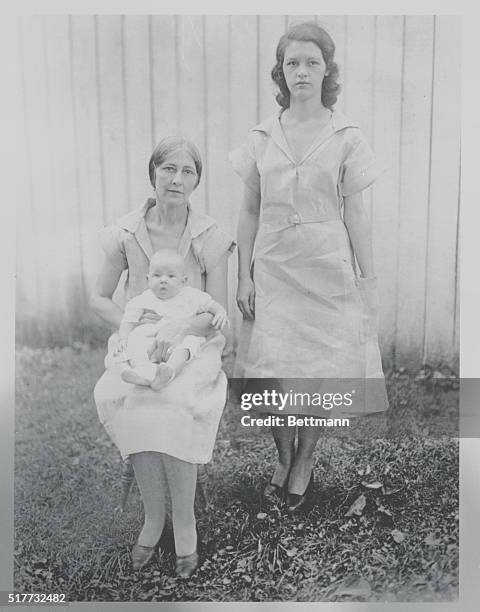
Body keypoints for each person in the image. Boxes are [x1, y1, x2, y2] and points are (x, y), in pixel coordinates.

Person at [230, 22, 388, 513]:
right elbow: (250, 210)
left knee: (322, 371)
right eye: (292, 63)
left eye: (312, 62)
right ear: (281, 71)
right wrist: (243, 275)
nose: (301, 71)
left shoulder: (346, 136)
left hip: (326, 262)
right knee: (271, 372)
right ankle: (282, 455)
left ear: (327, 71)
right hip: (274, 266)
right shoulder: (262, 136)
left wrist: (367, 277)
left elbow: (356, 212)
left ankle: (304, 462)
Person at [92, 136, 234, 576]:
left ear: (197, 180)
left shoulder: (209, 235)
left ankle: (185, 523)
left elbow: (216, 314)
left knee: (172, 401)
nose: (176, 179)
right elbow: (99, 298)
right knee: (132, 397)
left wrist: (177, 330)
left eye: (187, 171)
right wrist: (132, 331)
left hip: (196, 342)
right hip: (139, 341)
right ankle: (154, 517)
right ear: (152, 173)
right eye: (168, 169)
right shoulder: (125, 232)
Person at [114, 248, 228, 389]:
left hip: (180, 338)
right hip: (151, 341)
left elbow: (211, 305)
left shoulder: (191, 296)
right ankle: (143, 372)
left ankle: (169, 371)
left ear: (183, 280)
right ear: (148, 279)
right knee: (135, 339)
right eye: (157, 275)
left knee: (190, 342)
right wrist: (123, 339)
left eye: (170, 276)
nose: (163, 280)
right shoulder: (143, 299)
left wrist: (220, 311)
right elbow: (128, 321)